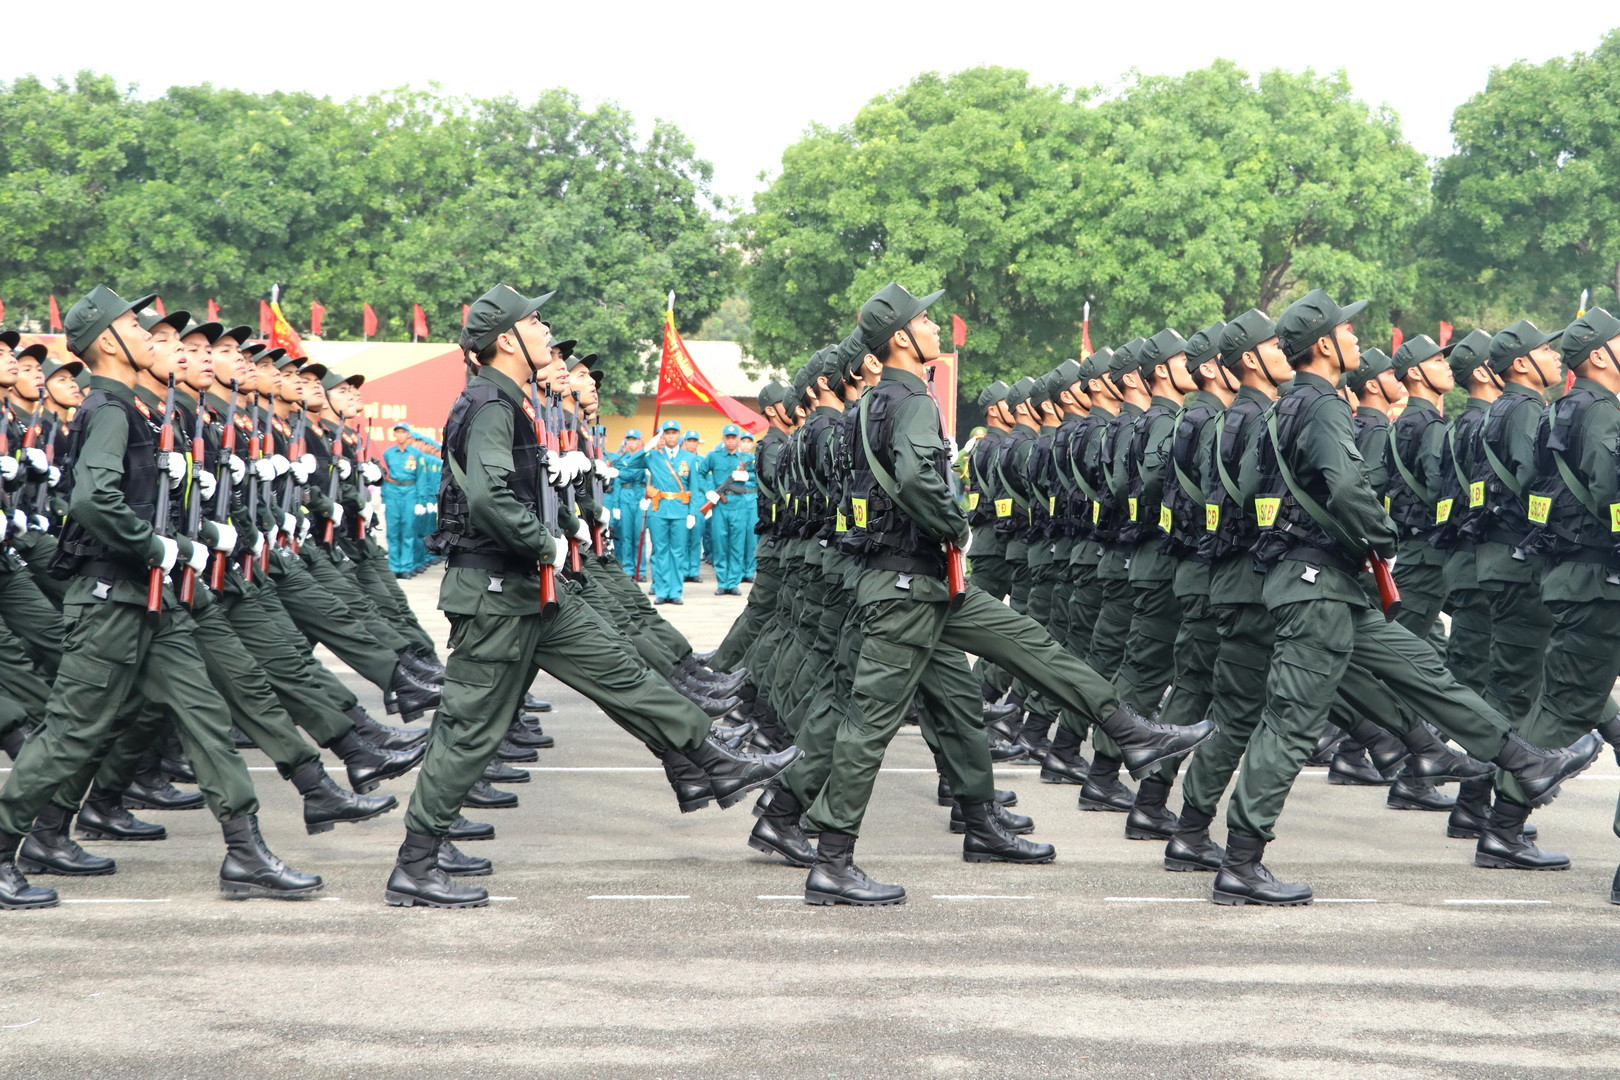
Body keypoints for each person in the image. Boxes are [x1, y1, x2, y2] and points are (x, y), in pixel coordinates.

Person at [384, 285, 800, 908]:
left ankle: (706, 759)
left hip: (529, 587)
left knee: (621, 667)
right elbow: (491, 500)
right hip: (497, 591)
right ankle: (416, 863)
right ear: (505, 339)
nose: (545, 329)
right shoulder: (490, 404)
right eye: (533, 321)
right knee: (471, 725)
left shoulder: (509, 401)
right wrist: (546, 541)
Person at [802, 283, 1215, 906]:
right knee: (870, 723)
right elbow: (916, 477)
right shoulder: (909, 397)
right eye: (925, 321)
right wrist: (954, 523)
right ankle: (831, 859)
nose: (936, 328)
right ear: (900, 341)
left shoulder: (873, 403)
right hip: (907, 587)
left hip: (921, 583)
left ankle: (1123, 731)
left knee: (1024, 650)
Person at [1214, 289, 1602, 906]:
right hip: (1318, 587)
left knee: (1424, 671)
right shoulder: (1319, 408)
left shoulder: (1286, 408)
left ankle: (1522, 759)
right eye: (1346, 331)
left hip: (1327, 584)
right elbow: (1343, 484)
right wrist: (1381, 536)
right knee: (1290, 721)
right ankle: (1241, 861)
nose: (1354, 339)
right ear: (1324, 345)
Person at [0, 286, 321, 910]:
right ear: (108, 345)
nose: (151, 337)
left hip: (150, 597)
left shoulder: (132, 408)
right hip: (110, 597)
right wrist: (158, 548)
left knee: (203, 717)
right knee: (71, 732)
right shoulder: (112, 409)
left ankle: (245, 850)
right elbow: (94, 501)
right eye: (135, 328)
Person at [618, 420, 705, 604]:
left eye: (674, 433)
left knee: (678, 552)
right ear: (662, 435)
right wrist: (648, 445)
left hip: (680, 510)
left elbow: (695, 487)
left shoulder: (689, 458)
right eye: (668, 433)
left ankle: (675, 591)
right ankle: (662, 590)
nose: (671, 436)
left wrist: (692, 513)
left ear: (679, 435)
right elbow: (631, 462)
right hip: (659, 509)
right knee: (660, 551)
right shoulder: (653, 456)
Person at [703, 423, 755, 595]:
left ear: (738, 439)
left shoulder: (745, 459)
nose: (731, 441)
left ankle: (733, 582)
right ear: (723, 438)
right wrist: (709, 490)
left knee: (737, 544)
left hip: (739, 504)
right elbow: (701, 473)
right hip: (720, 505)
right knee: (720, 543)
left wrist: (747, 475)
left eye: (734, 437)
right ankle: (722, 582)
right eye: (728, 437)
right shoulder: (714, 456)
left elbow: (760, 475)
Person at [382, 422, 421, 577]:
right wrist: (384, 499)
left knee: (408, 530)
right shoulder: (388, 453)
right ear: (394, 435)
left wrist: (420, 500)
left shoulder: (416, 454)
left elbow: (421, 477)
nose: (400, 435)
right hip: (392, 492)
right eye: (397, 432)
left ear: (408, 435)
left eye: (403, 432)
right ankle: (394, 566)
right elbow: (384, 476)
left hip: (410, 492)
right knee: (393, 531)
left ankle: (406, 566)